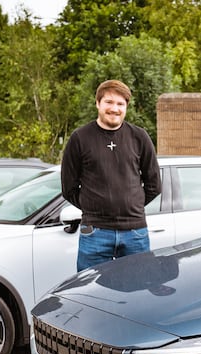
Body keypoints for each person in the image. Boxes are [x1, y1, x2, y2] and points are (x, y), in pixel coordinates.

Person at [61, 80, 161, 271]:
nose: (114, 108)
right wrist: (94, 208)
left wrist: (131, 206)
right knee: (90, 287)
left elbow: (154, 185)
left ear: (126, 107)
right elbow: (69, 188)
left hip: (135, 232)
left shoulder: (139, 137)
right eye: (109, 102)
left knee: (137, 286)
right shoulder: (79, 138)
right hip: (94, 231)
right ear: (98, 103)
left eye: (120, 104)